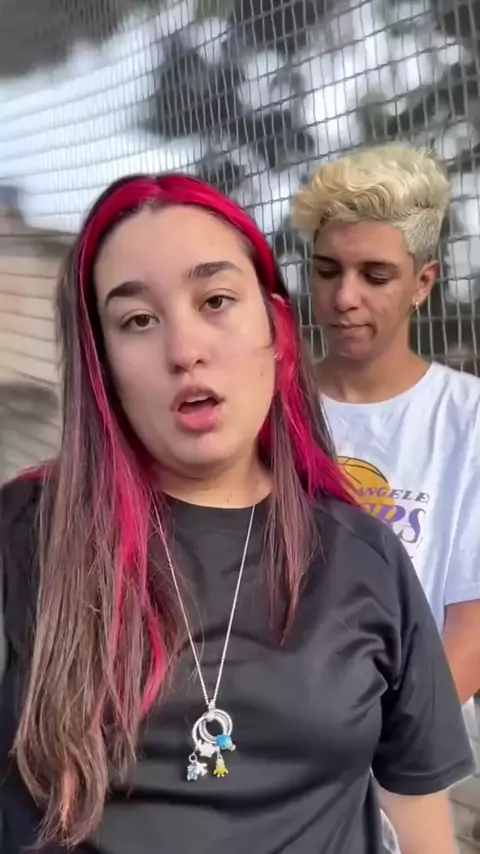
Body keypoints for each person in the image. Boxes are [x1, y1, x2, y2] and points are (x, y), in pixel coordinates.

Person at [0, 173, 473, 854]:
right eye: (138, 320)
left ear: (277, 330)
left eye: (216, 300)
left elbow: (422, 820)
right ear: (102, 363)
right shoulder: (24, 537)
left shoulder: (365, 556)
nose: (184, 350)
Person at [292, 143, 480, 850]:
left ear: (423, 282)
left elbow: (472, 627)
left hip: (404, 758)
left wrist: (372, 747)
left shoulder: (467, 419)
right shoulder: (267, 407)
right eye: (327, 270)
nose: (345, 297)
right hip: (270, 747)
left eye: (375, 275)